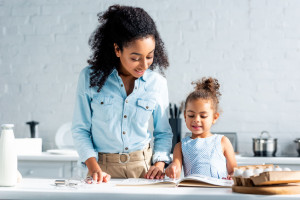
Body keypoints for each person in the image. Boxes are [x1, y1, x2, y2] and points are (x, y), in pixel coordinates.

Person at [71, 4, 173, 183]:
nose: (144, 64)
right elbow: (81, 129)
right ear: (117, 50)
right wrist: (94, 168)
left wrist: (159, 165)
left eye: (149, 56)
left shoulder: (157, 83)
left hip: (143, 167)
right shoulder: (89, 78)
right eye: (135, 58)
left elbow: (163, 133)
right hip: (100, 169)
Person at [165, 77, 237, 179]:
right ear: (185, 116)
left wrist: (233, 175)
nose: (196, 120)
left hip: (219, 192)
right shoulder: (180, 146)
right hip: (192, 192)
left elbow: (233, 170)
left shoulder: (222, 141)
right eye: (191, 115)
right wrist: (172, 168)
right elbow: (176, 171)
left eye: (203, 116)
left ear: (214, 117)